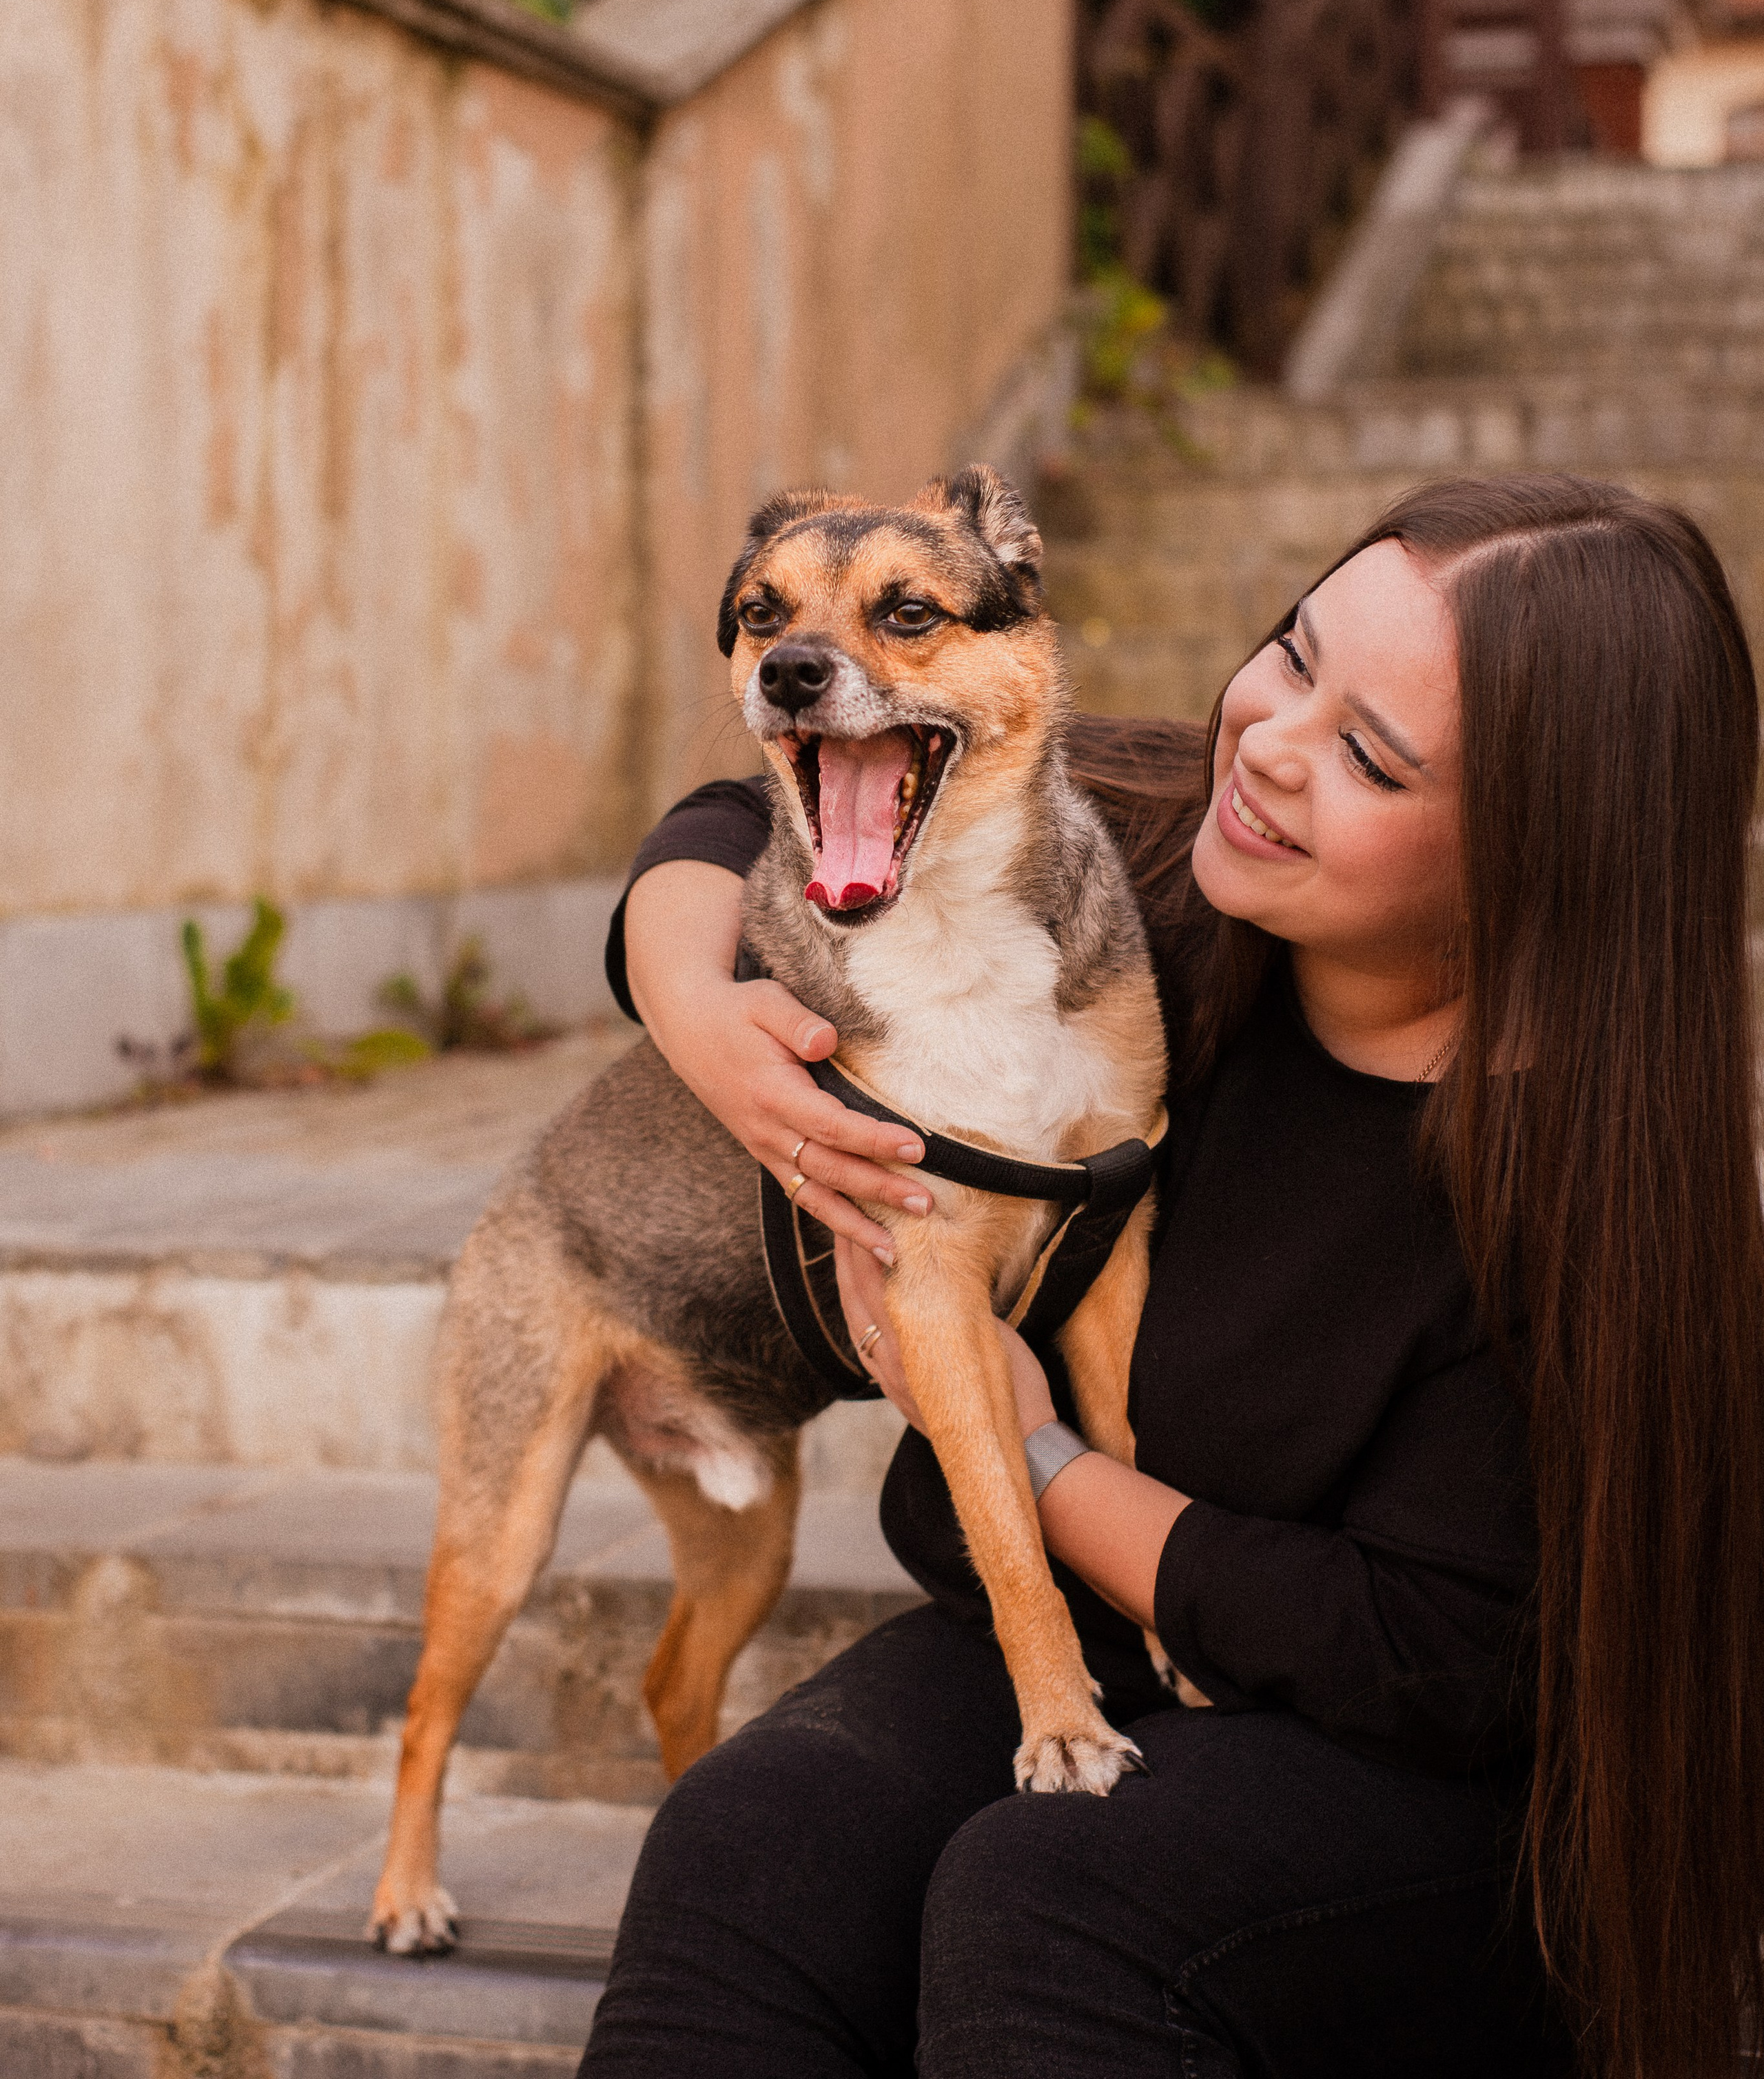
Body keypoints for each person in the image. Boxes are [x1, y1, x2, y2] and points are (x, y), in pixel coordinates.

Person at [580, 473, 1764, 2079]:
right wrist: (697, 1014)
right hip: (1081, 1640)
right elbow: (745, 811)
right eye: (1292, 652)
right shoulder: (1133, 853)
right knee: (752, 1835)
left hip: (1423, 1769)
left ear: (1540, 855)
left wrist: (1027, 1445)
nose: (1266, 740)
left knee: (1055, 1893)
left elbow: (1423, 1654)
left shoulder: (1573, 1191)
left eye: (1368, 755)